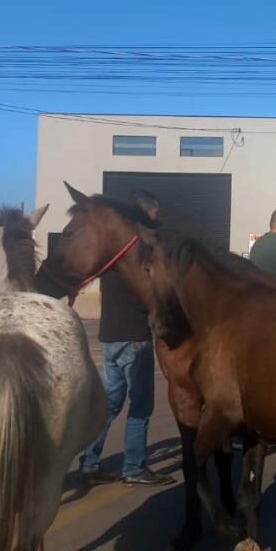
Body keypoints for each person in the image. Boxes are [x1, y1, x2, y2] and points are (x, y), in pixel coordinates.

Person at [81, 190, 175, 487]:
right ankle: (133, 467)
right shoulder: (139, 252)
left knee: (111, 402)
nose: (157, 218)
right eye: (155, 213)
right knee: (141, 406)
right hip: (134, 337)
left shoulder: (111, 253)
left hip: (109, 335)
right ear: (146, 212)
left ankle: (89, 463)